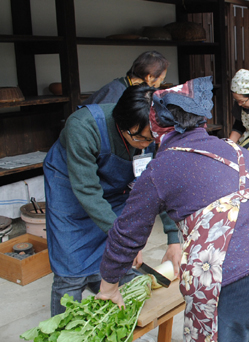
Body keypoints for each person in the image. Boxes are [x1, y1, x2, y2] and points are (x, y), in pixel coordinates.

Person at [96, 76, 249, 342]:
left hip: (234, 281)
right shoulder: (240, 151)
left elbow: (126, 235)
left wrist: (108, 287)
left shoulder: (162, 167)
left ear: (156, 126)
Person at [43, 84, 180, 316]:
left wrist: (173, 238)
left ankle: (106, 301)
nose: (147, 145)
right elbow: (87, 189)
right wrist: (123, 239)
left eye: (152, 139)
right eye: (141, 138)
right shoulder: (83, 126)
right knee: (70, 267)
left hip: (115, 189)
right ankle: (61, 336)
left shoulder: (152, 134)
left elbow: (159, 184)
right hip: (70, 189)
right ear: (122, 124)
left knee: (117, 261)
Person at [83, 50, 169, 105]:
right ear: (149, 77)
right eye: (162, 80)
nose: (159, 84)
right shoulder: (116, 91)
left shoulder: (132, 88)